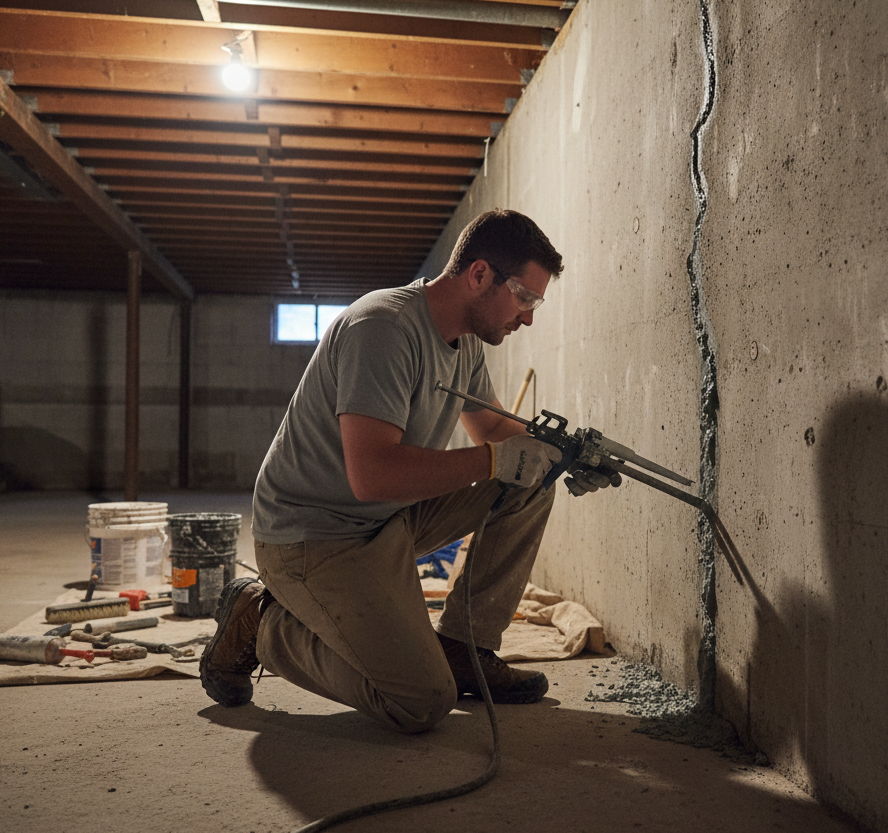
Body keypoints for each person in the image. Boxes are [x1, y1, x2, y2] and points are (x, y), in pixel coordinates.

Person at [200, 209, 618, 733]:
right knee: (419, 701)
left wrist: (563, 456)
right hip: (315, 537)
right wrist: (496, 460)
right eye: (525, 297)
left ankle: (465, 647)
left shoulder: (464, 341)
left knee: (528, 483)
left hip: (386, 519)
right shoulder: (383, 328)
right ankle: (261, 621)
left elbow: (491, 429)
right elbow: (371, 476)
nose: (529, 315)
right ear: (480, 275)